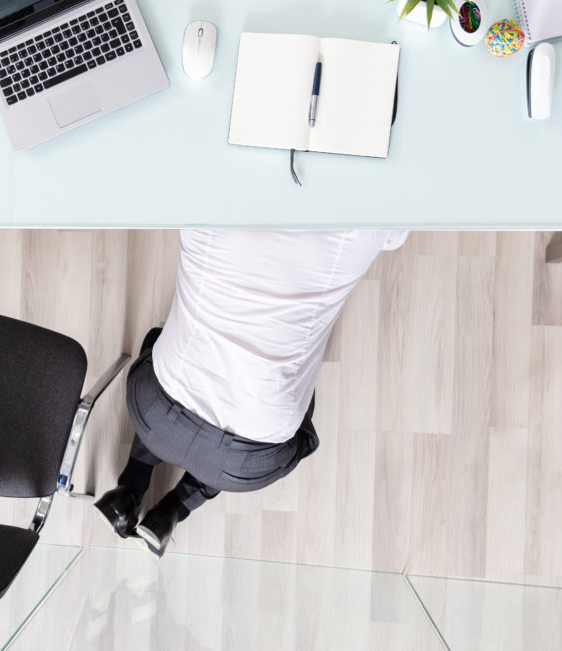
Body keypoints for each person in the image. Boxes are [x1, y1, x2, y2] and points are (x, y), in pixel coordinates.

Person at [95, 229, 408, 557]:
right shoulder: (359, 232)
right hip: (239, 459)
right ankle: (172, 510)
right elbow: (395, 233)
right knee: (282, 418)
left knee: (161, 354)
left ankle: (129, 489)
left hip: (160, 415)